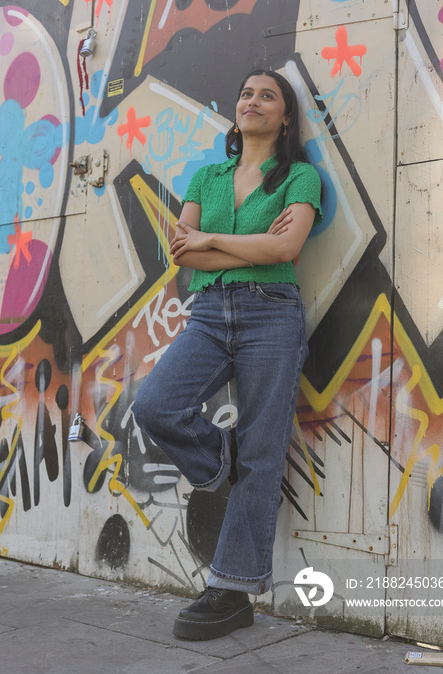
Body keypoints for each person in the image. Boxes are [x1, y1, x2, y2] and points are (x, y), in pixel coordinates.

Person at [133, 69, 323, 640]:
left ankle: (232, 591)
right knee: (156, 405)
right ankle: (220, 463)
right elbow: (185, 257)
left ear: (285, 117)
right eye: (246, 93)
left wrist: (211, 241)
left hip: (273, 313)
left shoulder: (301, 177)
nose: (253, 102)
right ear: (235, 110)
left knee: (263, 454)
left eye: (269, 96)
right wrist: (238, 248)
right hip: (211, 314)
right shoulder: (206, 176)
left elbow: (285, 248)